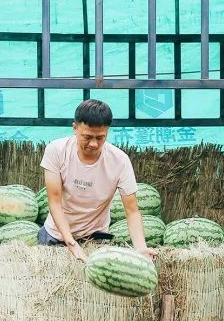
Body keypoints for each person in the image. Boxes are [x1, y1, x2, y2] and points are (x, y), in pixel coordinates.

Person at [39, 99, 156, 262]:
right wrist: (70, 242)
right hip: (56, 235)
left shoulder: (120, 160)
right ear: (75, 128)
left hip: (96, 238)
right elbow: (54, 202)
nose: (94, 144)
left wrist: (141, 249)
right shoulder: (56, 150)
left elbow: (132, 211)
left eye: (100, 137)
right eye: (87, 137)